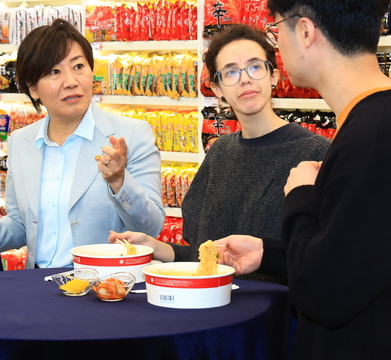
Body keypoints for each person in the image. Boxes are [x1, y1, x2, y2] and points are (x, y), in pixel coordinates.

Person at [218, 0, 391, 358]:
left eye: (277, 31)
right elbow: (360, 256)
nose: (278, 46)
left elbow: (325, 294)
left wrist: (301, 197)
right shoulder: (388, 119)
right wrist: (271, 253)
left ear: (305, 31)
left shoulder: (375, 139)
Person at [109, 24, 330, 283]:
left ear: (274, 76)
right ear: (217, 89)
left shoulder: (314, 153)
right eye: (231, 72)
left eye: (255, 67)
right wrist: (154, 246)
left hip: (277, 315)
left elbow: (323, 260)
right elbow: (205, 257)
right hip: (214, 305)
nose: (245, 79)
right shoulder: (220, 153)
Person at [0, 19, 164, 269]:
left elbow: (151, 227)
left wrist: (119, 182)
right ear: (32, 88)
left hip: (105, 286)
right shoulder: (20, 141)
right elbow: (20, 227)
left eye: (78, 66)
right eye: (54, 72)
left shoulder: (131, 135)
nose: (71, 81)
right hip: (38, 285)